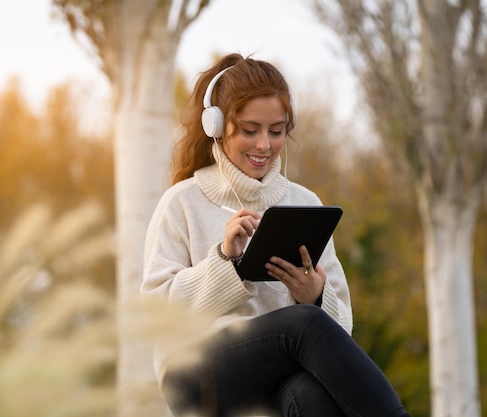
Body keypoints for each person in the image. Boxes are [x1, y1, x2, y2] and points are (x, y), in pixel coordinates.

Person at [140, 53, 409, 417]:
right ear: (217, 127)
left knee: (309, 395)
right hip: (196, 376)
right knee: (306, 325)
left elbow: (340, 328)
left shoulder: (305, 203)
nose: (264, 145)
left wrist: (314, 297)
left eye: (277, 131)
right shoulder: (181, 202)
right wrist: (226, 263)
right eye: (250, 130)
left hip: (281, 378)